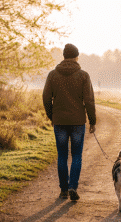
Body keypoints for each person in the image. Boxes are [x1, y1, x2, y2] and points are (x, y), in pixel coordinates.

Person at [42, 43, 96, 202]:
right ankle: (73, 186)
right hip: (78, 122)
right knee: (77, 155)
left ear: (64, 56)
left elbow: (46, 98)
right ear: (77, 56)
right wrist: (92, 121)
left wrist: (52, 117)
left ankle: (63, 190)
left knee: (62, 156)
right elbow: (89, 101)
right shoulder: (83, 75)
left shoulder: (52, 75)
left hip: (59, 122)